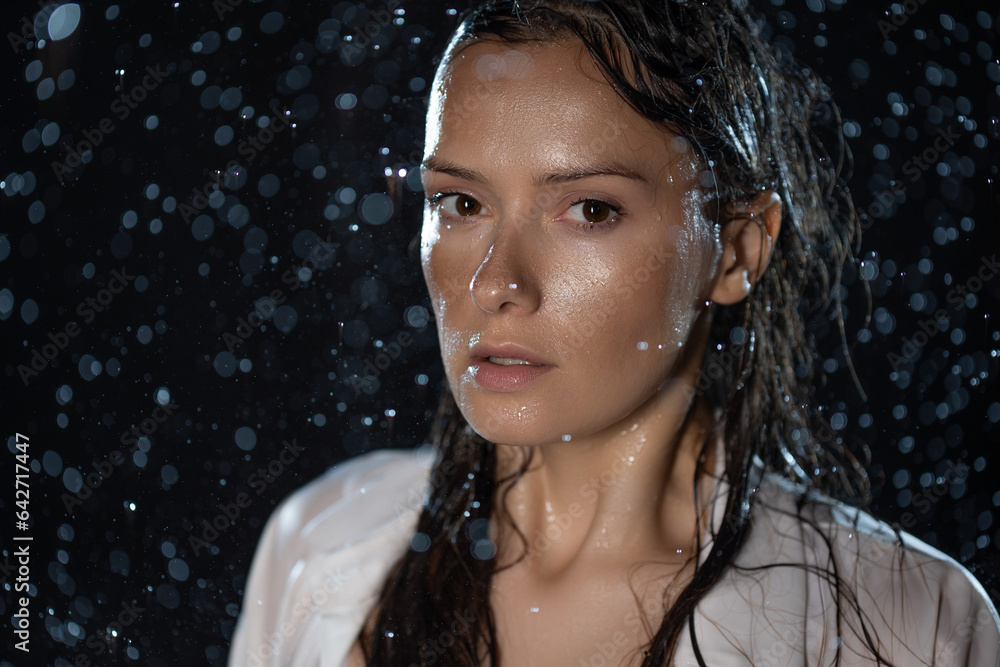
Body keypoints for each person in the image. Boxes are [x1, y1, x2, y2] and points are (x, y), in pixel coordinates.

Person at [228, 1, 1000, 665]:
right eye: (462, 203)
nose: (497, 283)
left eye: (590, 210)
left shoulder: (905, 621)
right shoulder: (318, 545)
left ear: (735, 249)